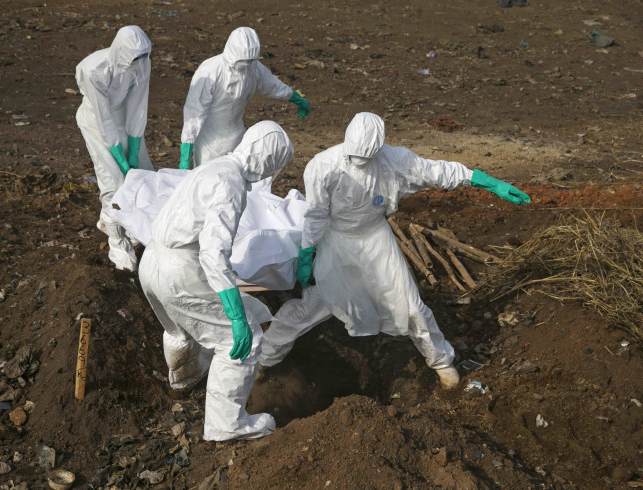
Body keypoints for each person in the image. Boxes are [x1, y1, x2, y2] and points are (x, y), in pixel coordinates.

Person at [259, 112, 530, 389]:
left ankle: (441, 363)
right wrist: (307, 254)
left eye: (366, 160)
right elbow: (316, 215)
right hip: (337, 241)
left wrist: (487, 182)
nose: (359, 164)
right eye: (354, 158)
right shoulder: (323, 166)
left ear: (378, 151)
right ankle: (264, 359)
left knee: (411, 305)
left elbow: (437, 171)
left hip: (376, 239)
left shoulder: (395, 160)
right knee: (317, 304)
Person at [139, 121, 294, 441]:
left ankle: (183, 382)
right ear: (267, 161)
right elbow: (213, 253)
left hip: (152, 260)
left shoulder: (214, 168)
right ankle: (227, 423)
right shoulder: (231, 185)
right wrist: (236, 315)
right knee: (243, 338)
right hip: (181, 270)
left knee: (178, 329)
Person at [75, 25, 153, 272]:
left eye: (143, 57)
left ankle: (125, 223)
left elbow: (139, 105)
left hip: (122, 118)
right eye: (134, 57)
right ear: (121, 51)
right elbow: (103, 117)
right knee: (114, 181)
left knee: (143, 175)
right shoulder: (94, 69)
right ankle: (118, 244)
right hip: (96, 121)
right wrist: (119, 157)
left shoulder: (141, 64)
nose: (139, 62)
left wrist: (135, 144)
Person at [178, 26, 310, 170]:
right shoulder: (210, 71)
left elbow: (273, 86)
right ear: (232, 53)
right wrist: (186, 151)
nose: (246, 64)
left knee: (237, 178)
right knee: (208, 180)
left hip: (238, 138)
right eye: (243, 61)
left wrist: (295, 98)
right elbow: (195, 111)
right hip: (210, 143)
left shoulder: (253, 68)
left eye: (250, 60)